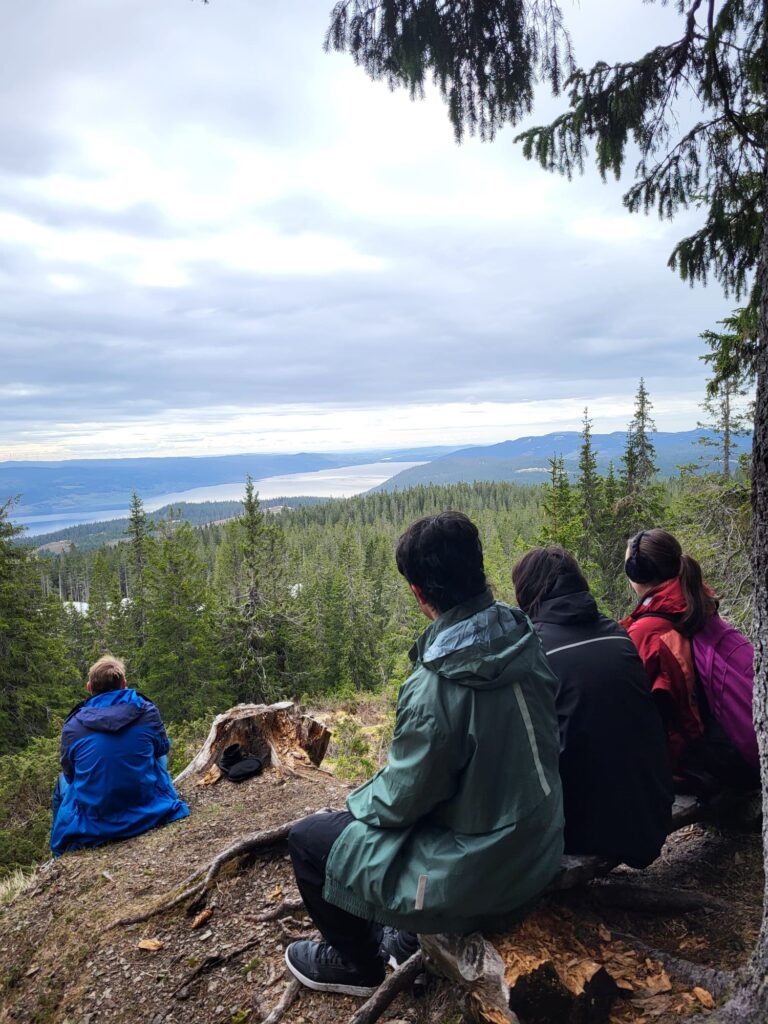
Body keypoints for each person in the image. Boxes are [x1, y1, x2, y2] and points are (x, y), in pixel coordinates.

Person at [284, 512, 564, 998]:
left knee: (310, 839)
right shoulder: (522, 635)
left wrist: (354, 804)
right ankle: (400, 932)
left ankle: (357, 966)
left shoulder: (437, 683)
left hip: (491, 871)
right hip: (540, 843)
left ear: (418, 592)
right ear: (479, 571)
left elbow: (401, 801)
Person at [512, 546, 673, 867]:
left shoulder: (532, 652)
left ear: (527, 592)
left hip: (587, 829)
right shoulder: (617, 633)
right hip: (649, 812)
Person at [620, 528, 756, 793]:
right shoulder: (697, 604)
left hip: (707, 763)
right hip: (738, 751)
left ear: (636, 575)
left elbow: (628, 699)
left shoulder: (648, 631)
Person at [50, 655, 189, 857]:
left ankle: (57, 857)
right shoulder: (146, 711)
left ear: (89, 687)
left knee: (61, 783)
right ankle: (152, 795)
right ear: (123, 684)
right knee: (158, 752)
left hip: (96, 821)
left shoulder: (73, 726)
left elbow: (71, 775)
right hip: (149, 811)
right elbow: (161, 749)